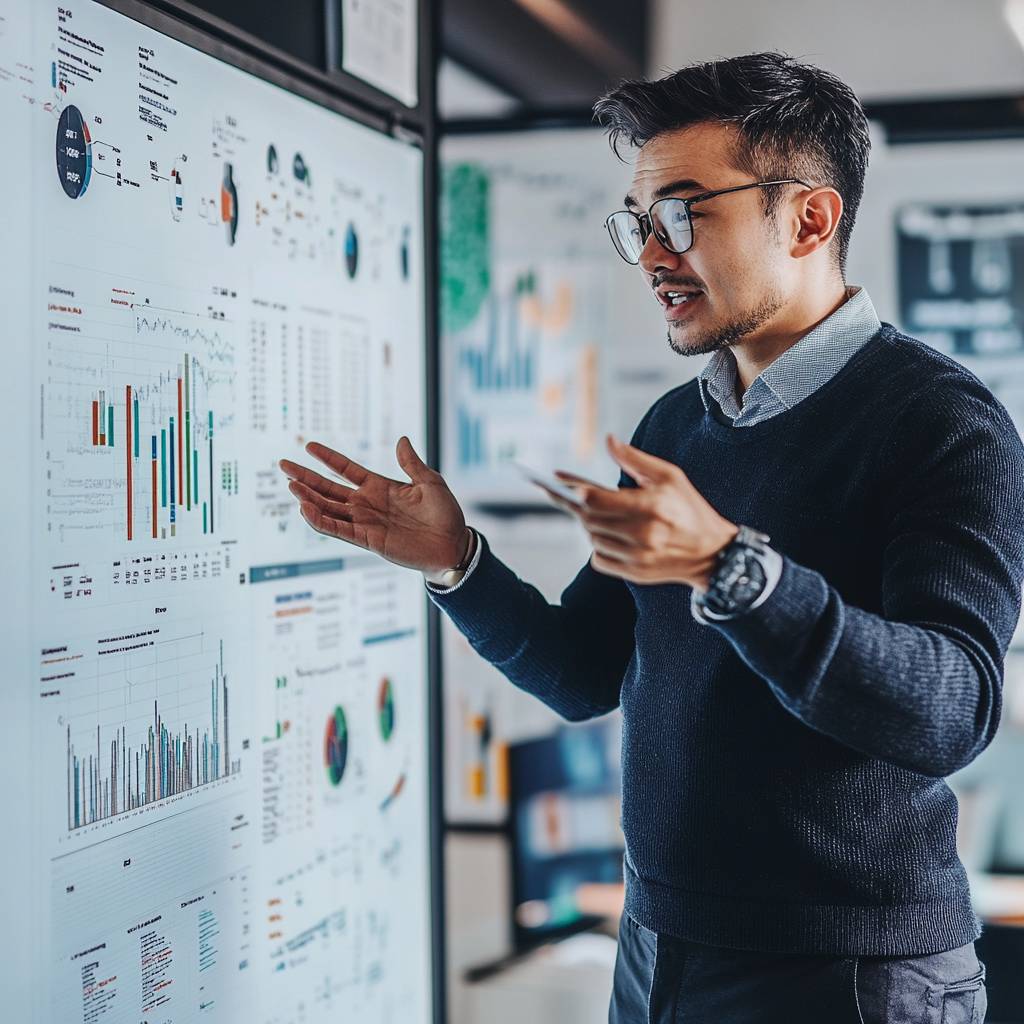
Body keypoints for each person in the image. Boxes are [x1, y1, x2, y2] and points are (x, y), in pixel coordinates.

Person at [280, 52, 1024, 1024]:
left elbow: (952, 711)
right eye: (639, 223)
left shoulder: (941, 422)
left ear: (809, 219)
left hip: (845, 971)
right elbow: (585, 672)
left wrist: (732, 569)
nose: (651, 256)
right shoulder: (679, 425)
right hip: (657, 945)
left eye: (681, 215)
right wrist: (458, 564)